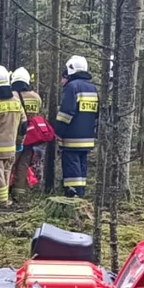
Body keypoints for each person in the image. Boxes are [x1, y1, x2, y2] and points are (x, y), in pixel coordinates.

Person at [52, 56, 98, 198]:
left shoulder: (72, 87)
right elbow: (96, 113)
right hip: (87, 138)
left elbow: (66, 113)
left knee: (71, 167)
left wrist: (58, 130)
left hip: (72, 138)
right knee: (82, 167)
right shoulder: (93, 88)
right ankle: (81, 194)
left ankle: (72, 196)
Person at [0, 66, 27, 208]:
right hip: (11, 147)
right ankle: (4, 199)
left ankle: (0, 202)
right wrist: (19, 142)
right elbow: (23, 125)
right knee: (6, 174)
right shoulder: (16, 101)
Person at [10, 67, 45, 201]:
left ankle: (4, 190)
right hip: (30, 137)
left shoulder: (11, 96)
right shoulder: (36, 97)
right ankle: (20, 194)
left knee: (9, 164)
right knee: (23, 165)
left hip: (14, 135)